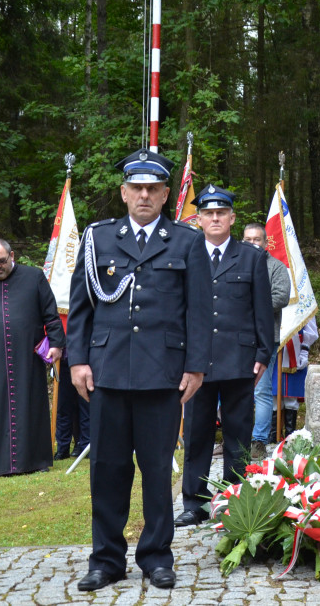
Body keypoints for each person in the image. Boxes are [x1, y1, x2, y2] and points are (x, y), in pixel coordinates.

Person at [67, 149, 212, 591]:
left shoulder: (187, 241)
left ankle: (155, 557)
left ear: (167, 194)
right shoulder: (98, 239)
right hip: (107, 372)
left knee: (155, 470)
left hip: (162, 374)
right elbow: (80, 308)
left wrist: (196, 367)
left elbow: (200, 311)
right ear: (124, 192)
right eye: (137, 188)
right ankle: (106, 559)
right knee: (107, 470)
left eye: (154, 189)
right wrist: (77, 360)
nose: (145, 195)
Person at [175, 184, 274, 528]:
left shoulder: (252, 257)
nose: (215, 218)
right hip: (197, 363)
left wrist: (264, 352)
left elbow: (263, 311)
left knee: (237, 435)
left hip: (239, 361)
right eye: (208, 213)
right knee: (198, 435)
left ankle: (235, 499)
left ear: (232, 218)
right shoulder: (187, 256)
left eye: (221, 213)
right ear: (199, 218)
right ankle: (194, 503)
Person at [0, 238, 64, 476]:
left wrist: (57, 344)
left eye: (1, 260)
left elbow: (51, 315)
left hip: (27, 355)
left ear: (12, 256)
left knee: (32, 404)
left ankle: (36, 461)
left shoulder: (34, 277)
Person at [244, 222, 291, 457]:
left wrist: (246, 307)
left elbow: (281, 297)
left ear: (265, 242)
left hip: (265, 338)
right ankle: (236, 439)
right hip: (235, 339)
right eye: (248, 239)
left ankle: (258, 441)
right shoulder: (235, 264)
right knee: (235, 390)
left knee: (261, 391)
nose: (252, 243)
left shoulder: (276, 267)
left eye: (256, 239)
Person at [53, 355, 89, 460]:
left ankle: (85, 446)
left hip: (83, 363)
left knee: (85, 407)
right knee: (63, 408)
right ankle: (62, 448)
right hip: (62, 362)